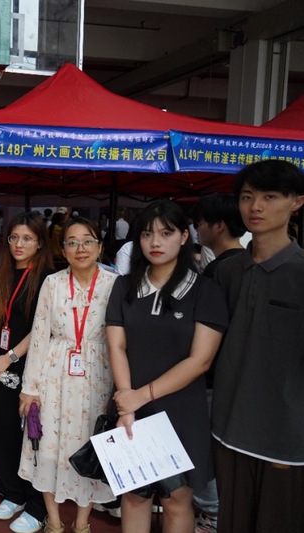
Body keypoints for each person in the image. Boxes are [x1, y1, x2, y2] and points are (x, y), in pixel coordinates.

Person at [105, 199, 228, 533]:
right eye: (147, 234)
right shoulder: (124, 286)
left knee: (177, 499)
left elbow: (200, 360)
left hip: (182, 408)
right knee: (135, 495)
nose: (155, 242)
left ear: (185, 237)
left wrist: (138, 396)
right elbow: (117, 346)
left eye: (166, 233)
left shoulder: (205, 290)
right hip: (131, 406)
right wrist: (127, 402)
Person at [211, 160, 304, 533]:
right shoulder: (226, 271)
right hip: (227, 427)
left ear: (297, 202)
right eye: (247, 197)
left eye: (270, 197)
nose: (256, 207)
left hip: (286, 437)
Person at [19, 217, 117, 533]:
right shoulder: (53, 283)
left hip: (99, 374)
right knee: (49, 444)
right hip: (54, 371)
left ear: (100, 247)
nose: (80, 248)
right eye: (72, 242)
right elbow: (39, 335)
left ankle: (83, 522)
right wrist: (29, 387)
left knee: (90, 443)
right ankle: (54, 520)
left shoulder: (115, 284)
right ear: (63, 249)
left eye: (88, 241)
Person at [0, 211, 53, 532]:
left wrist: (8, 357)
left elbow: (41, 327)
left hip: (29, 364)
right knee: (2, 430)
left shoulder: (48, 278)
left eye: (27, 238)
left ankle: (37, 506)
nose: (19, 244)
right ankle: (13, 493)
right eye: (14, 237)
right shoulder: (3, 273)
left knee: (32, 434)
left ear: (40, 243)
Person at [188, 193, 246, 532]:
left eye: (200, 224)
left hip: (211, 377)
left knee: (205, 450)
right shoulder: (246, 264)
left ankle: (211, 515)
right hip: (233, 376)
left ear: (218, 225)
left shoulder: (219, 270)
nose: (197, 230)